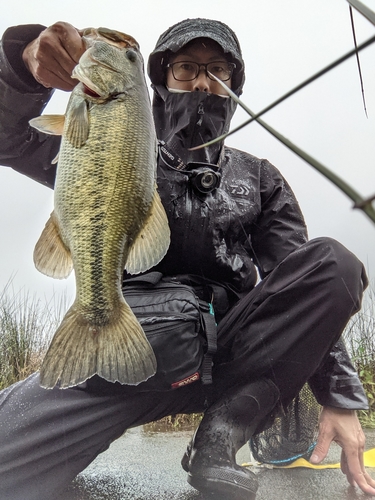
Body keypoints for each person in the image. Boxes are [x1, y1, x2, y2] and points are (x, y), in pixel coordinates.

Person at [0, 17, 374, 500]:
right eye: (186, 67)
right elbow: (9, 138)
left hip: (239, 362)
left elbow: (308, 285)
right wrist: (22, 62)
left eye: (217, 69)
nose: (201, 81)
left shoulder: (260, 178)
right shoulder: (108, 139)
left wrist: (338, 395)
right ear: (160, 79)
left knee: (334, 263)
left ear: (234, 85)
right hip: (127, 352)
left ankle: (219, 439)